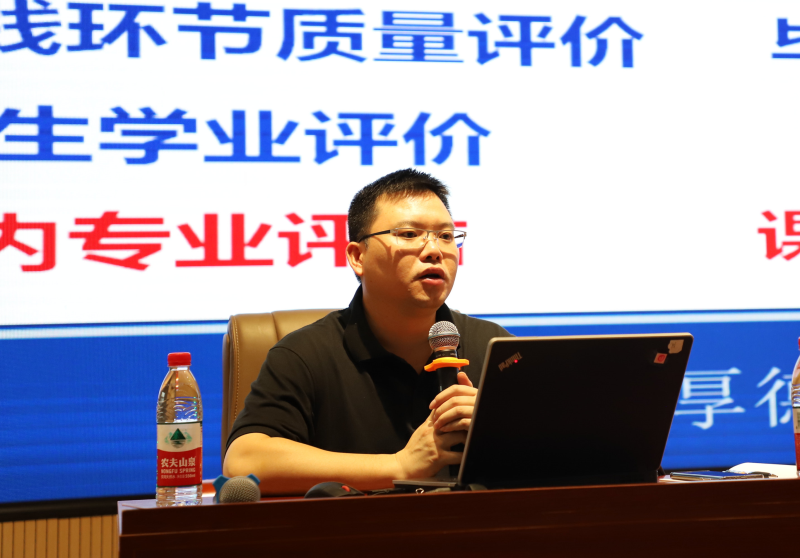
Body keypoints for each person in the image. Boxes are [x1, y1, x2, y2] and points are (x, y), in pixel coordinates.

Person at [223, 169, 511, 494]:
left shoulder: (497, 349)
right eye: (409, 234)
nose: (435, 250)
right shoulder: (305, 354)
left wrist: (501, 427)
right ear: (358, 257)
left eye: (446, 236)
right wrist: (399, 466)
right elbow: (243, 460)